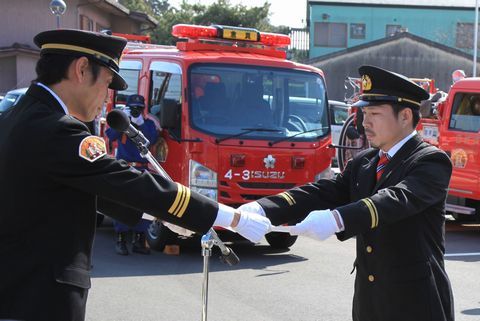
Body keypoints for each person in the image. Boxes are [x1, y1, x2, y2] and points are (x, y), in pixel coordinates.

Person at [0, 29, 271, 321]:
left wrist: (159, 216)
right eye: (106, 83)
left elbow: (87, 188)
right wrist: (229, 217)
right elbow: (122, 181)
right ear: (81, 69)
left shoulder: (17, 118)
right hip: (37, 298)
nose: (107, 98)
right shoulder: (56, 128)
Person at [239, 65, 454, 321]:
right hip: (370, 302)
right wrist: (263, 208)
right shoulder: (365, 162)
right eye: (364, 114)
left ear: (405, 116)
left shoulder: (430, 161)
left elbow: (396, 199)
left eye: (374, 113)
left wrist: (336, 219)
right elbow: (323, 192)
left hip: (415, 303)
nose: (365, 123)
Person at [106, 94, 158, 256]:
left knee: (143, 205)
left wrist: (140, 125)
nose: (136, 111)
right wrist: (124, 121)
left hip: (142, 169)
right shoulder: (121, 123)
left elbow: (152, 140)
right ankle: (121, 240)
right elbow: (111, 135)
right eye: (133, 108)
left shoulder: (147, 124)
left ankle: (139, 240)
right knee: (123, 204)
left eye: (139, 109)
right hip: (125, 168)